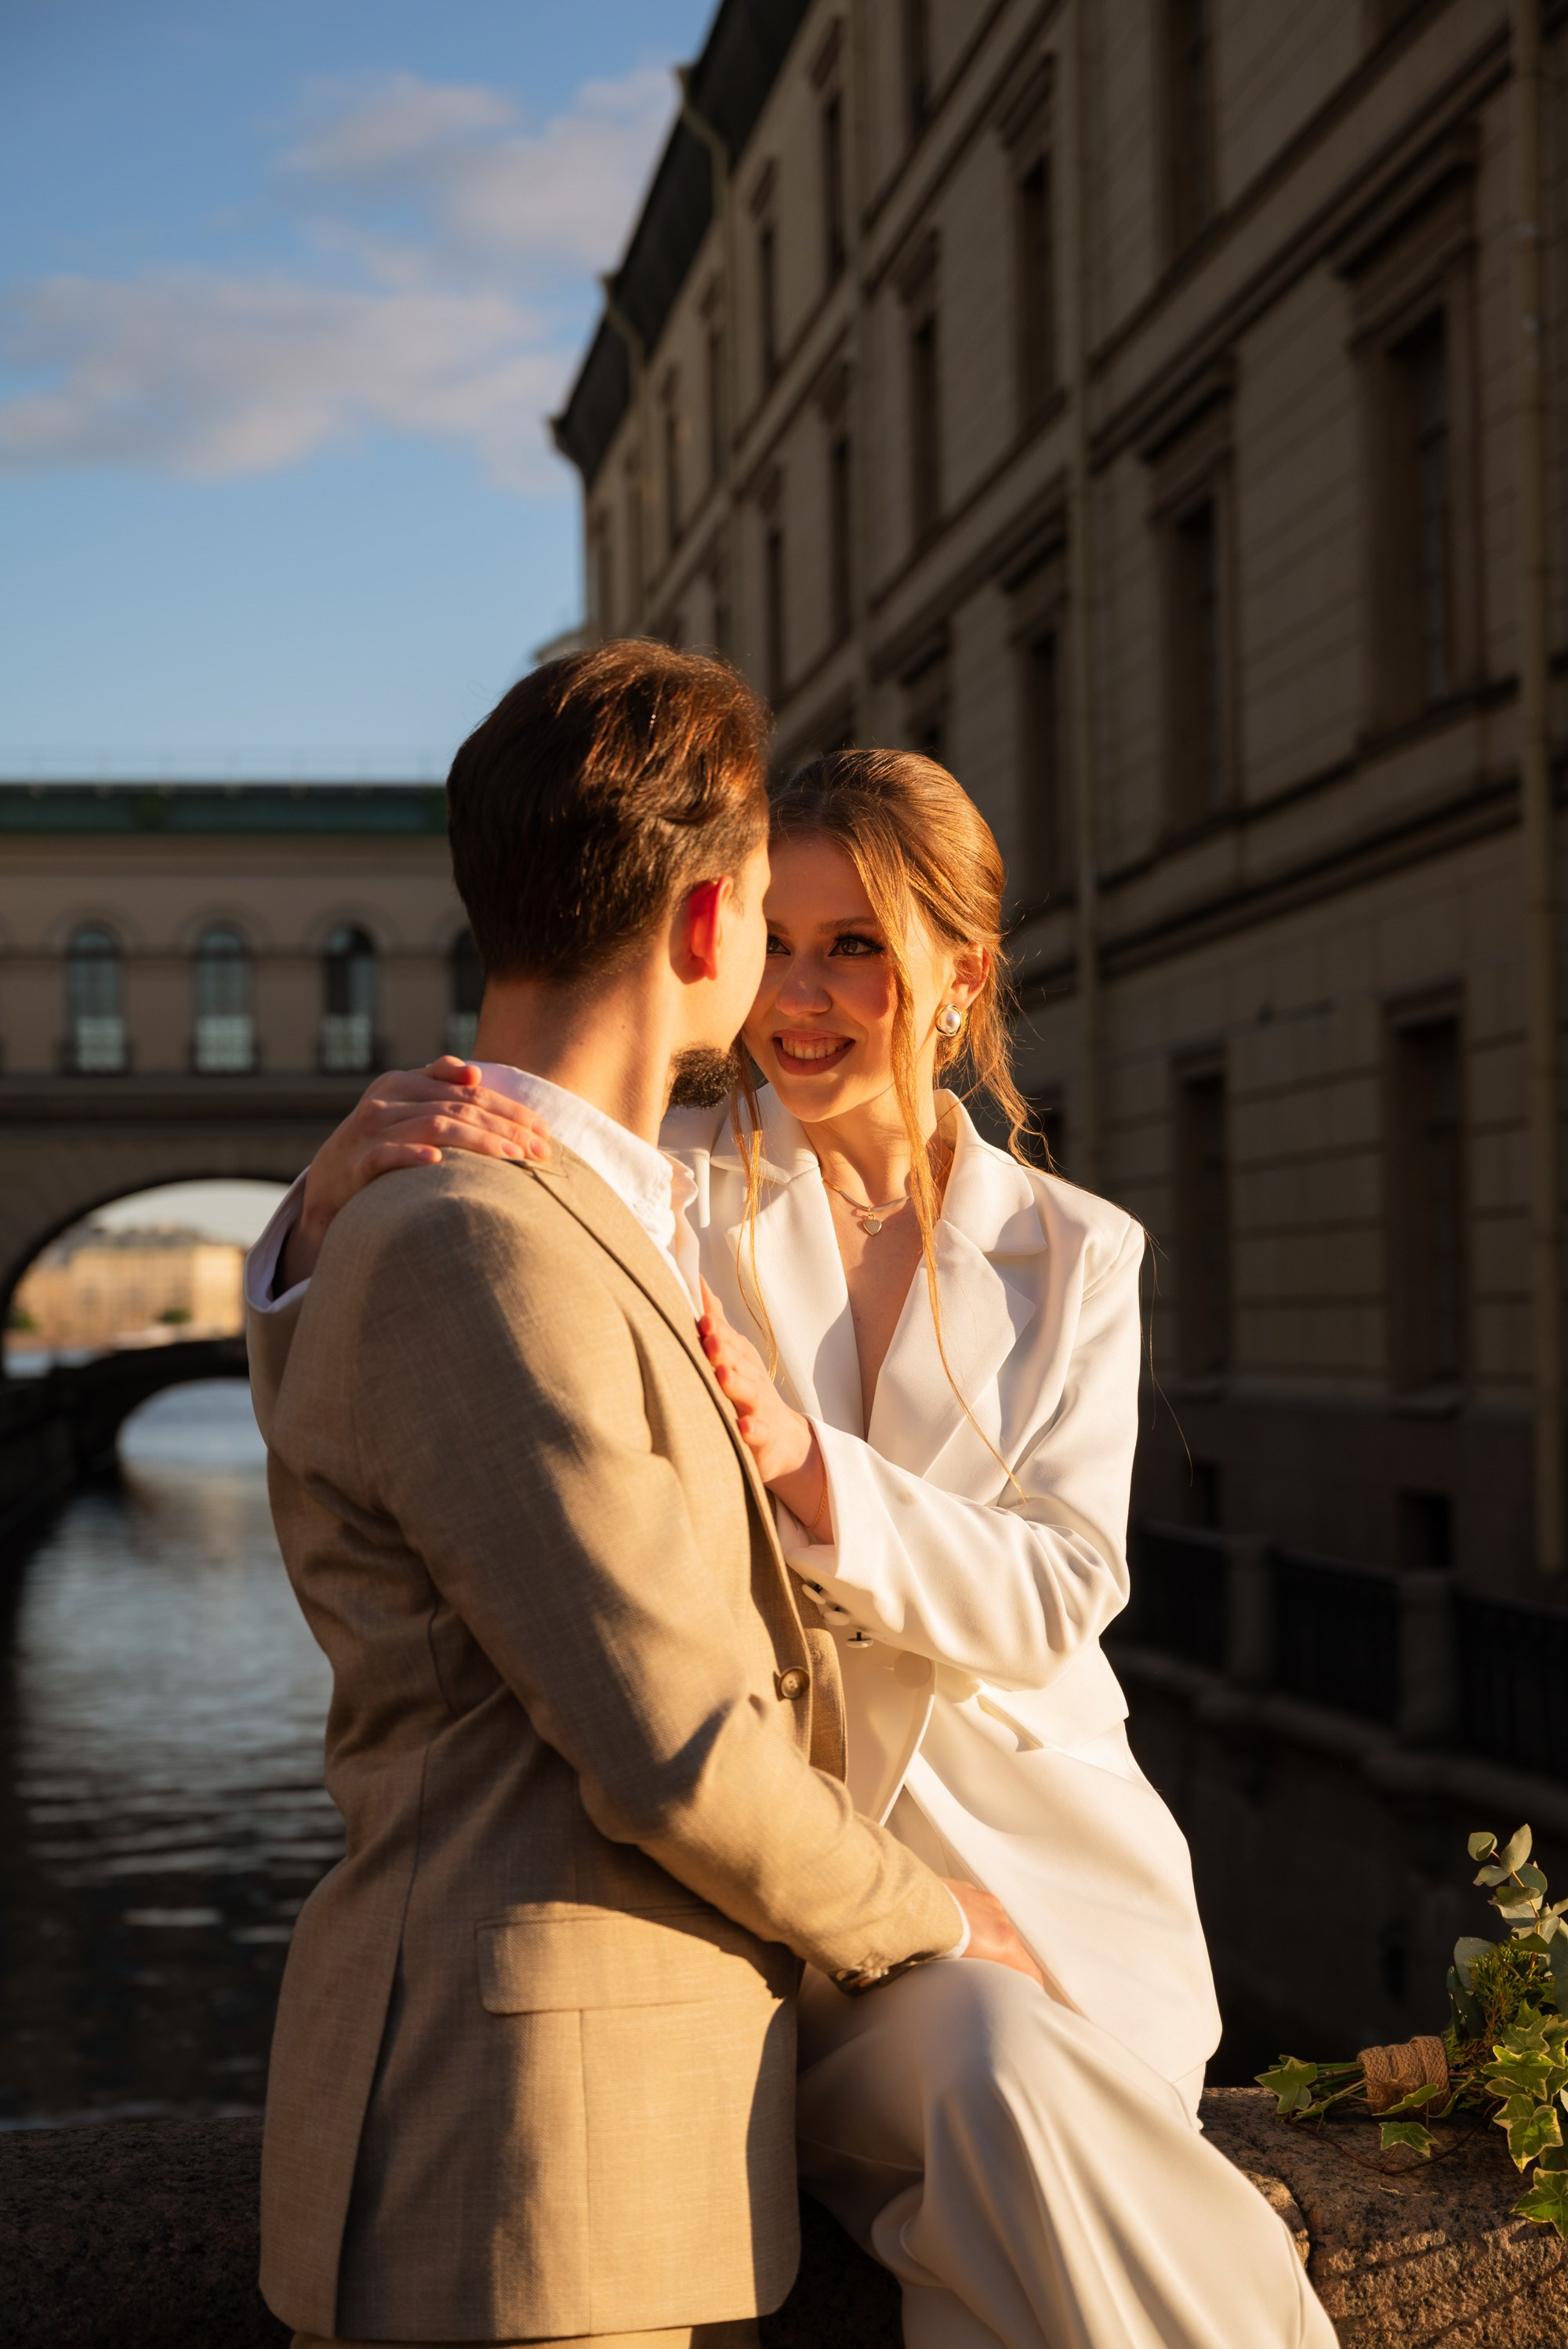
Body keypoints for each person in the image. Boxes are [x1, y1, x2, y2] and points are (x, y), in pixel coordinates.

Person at [252, 734, 1338, 2349]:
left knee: (1018, 2189)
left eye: (858, 950)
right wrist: (315, 1218)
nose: (801, 995)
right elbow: (427, 1342)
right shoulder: (655, 1188)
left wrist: (806, 1466)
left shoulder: (1075, 1252)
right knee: (994, 2076)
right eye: (777, 941)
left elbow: (1060, 1590)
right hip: (789, 1897)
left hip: (1050, 1866)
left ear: (958, 978)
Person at [250, 644, 1014, 2349]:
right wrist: (939, 1917)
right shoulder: (471, 1236)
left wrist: (300, 1220)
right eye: (762, 910)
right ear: (698, 927)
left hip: (614, 2158)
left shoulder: (577, 1209)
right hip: (515, 2181)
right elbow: (670, 1737)